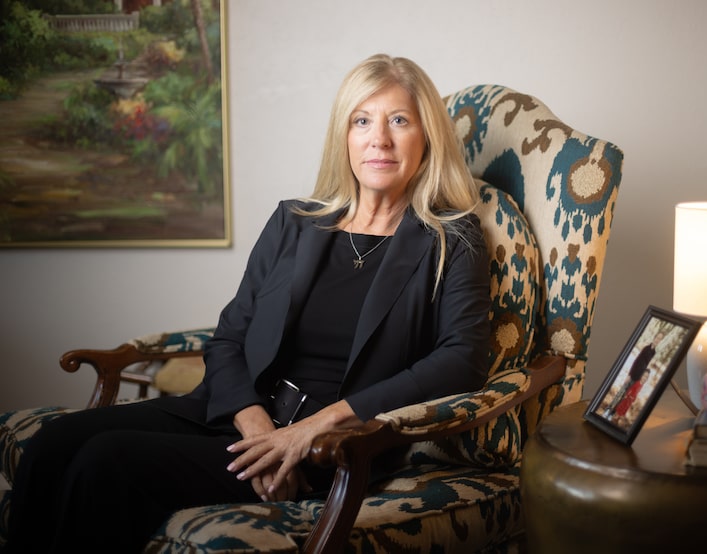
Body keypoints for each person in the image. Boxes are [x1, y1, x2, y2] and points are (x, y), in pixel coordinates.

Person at [3, 53, 491, 553]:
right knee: (51, 444)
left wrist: (311, 430)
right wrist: (254, 423)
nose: (379, 139)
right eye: (362, 121)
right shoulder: (294, 222)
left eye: (399, 121)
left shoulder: (452, 238)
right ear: (344, 136)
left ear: (426, 136)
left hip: (331, 448)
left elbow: (463, 358)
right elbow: (230, 336)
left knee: (106, 460)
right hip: (237, 414)